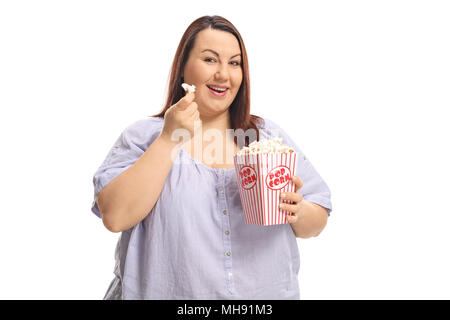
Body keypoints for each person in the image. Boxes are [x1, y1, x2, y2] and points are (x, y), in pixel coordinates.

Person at [91, 15, 332, 300]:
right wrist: (170, 138)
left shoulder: (266, 138)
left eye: (234, 63)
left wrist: (300, 211)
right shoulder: (144, 136)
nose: (223, 74)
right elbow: (115, 217)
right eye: (209, 60)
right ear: (183, 68)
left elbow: (316, 218)